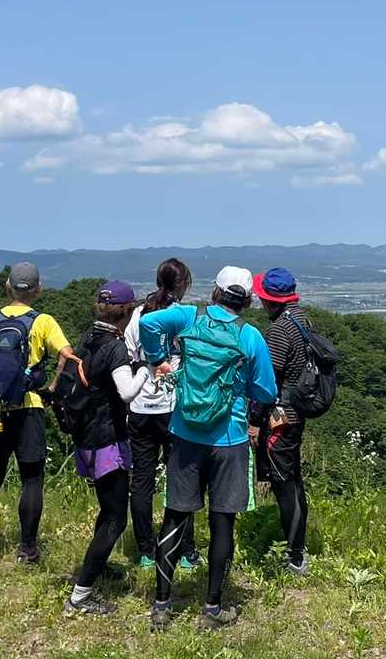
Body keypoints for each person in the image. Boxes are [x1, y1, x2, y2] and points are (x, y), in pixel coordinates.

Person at [138, 266, 278, 631]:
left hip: (185, 434)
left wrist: (157, 359)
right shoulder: (249, 336)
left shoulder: (190, 317)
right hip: (229, 440)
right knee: (222, 522)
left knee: (175, 516)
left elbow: (148, 324)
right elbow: (266, 391)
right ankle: (212, 608)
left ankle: (162, 606)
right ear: (247, 301)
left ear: (215, 292)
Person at [0, 261, 76, 563]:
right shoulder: (43, 322)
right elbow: (67, 354)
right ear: (38, 289)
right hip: (29, 408)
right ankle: (28, 549)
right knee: (31, 480)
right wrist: (51, 388)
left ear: (7, 287)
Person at [63, 280, 151, 615]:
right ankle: (81, 595)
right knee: (116, 519)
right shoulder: (115, 347)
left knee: (107, 510)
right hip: (107, 441)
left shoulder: (89, 336)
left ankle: (94, 569)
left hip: (86, 436)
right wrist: (145, 370)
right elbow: (127, 391)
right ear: (127, 312)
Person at [124, 258, 200, 571]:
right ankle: (185, 550)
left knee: (141, 481)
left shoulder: (137, 315)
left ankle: (146, 550)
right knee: (182, 478)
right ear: (183, 285)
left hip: (141, 405)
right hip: (174, 407)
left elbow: (129, 356)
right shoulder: (184, 317)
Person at [248, 267, 311, 576]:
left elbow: (266, 382)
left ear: (269, 299)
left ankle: (296, 556)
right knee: (293, 481)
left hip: (280, 418)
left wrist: (255, 420)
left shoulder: (279, 331)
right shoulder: (301, 320)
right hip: (296, 412)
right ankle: (298, 548)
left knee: (284, 484)